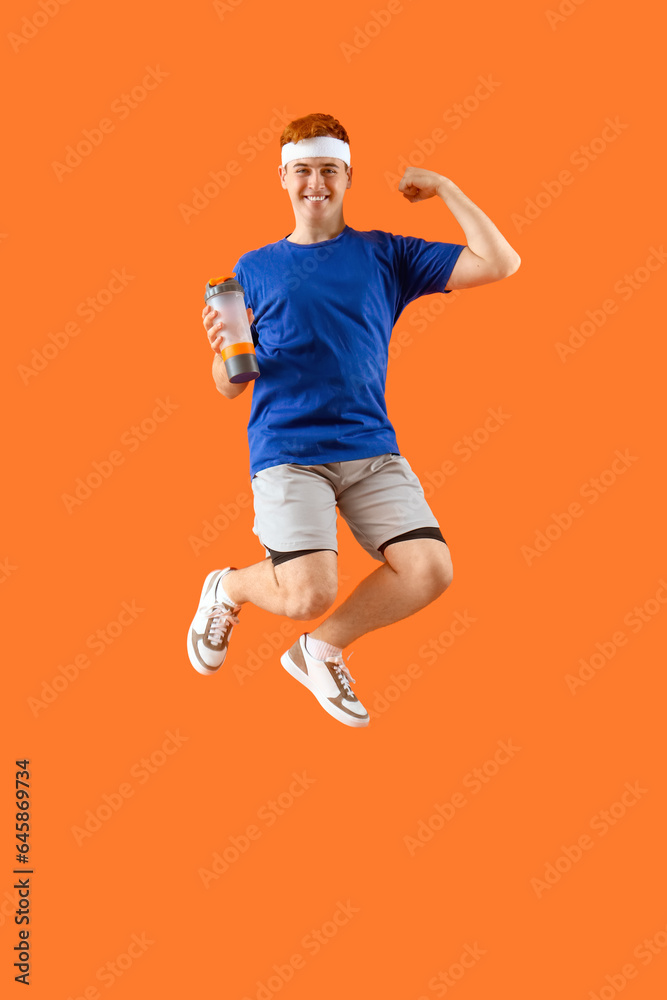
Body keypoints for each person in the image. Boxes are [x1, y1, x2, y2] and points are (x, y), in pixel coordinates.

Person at [187, 112, 520, 728]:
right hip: (288, 450)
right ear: (284, 177)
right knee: (307, 593)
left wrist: (444, 187)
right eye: (304, 170)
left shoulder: (386, 253)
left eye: (330, 170)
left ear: (347, 177)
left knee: (430, 570)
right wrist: (224, 355)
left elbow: (500, 262)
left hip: (370, 448)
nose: (317, 182)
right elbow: (232, 386)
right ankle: (228, 588)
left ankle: (320, 649)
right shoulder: (253, 268)